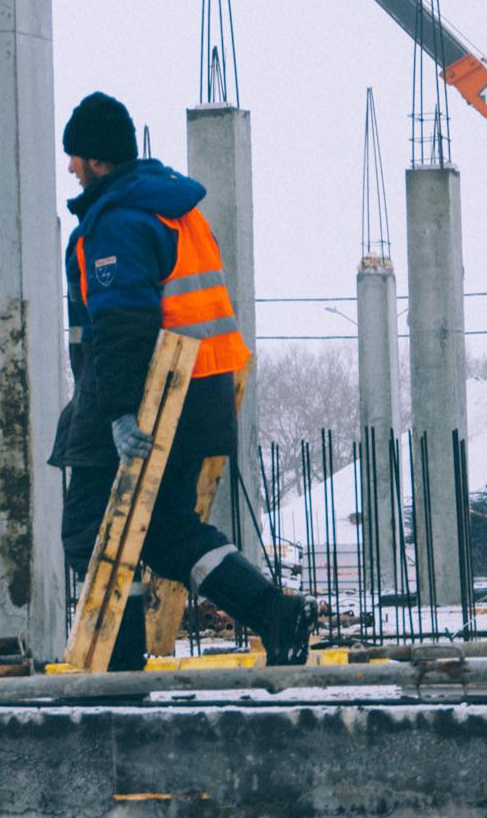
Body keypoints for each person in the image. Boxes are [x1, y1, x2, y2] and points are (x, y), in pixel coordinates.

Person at [49, 91, 313, 668]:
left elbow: (122, 327)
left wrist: (118, 414)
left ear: (96, 159)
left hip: (145, 404)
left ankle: (117, 670)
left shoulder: (119, 222)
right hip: (198, 398)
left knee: (92, 535)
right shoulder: (179, 212)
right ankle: (273, 612)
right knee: (166, 531)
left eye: (74, 156)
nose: (69, 167)